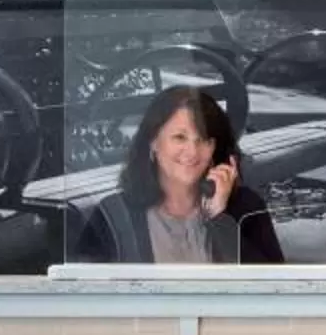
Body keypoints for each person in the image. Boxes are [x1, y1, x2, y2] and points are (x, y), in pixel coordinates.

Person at [68, 84, 284, 265]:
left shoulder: (246, 208)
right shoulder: (114, 216)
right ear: (153, 142)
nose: (192, 151)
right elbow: (86, 301)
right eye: (180, 137)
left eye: (204, 140)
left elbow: (275, 293)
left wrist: (220, 219)